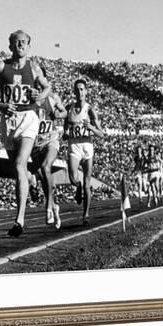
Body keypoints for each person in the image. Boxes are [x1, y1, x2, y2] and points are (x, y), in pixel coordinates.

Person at [0, 30, 51, 237]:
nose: (20, 45)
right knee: (17, 168)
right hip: (8, 122)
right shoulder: (2, 67)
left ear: (29, 46)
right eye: (16, 42)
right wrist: (1, 105)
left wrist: (39, 95)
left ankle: (19, 219)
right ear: (10, 45)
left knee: (20, 163)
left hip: (28, 119)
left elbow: (47, 87)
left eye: (24, 42)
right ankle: (30, 177)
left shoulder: (34, 67)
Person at [29, 66, 67, 229]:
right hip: (35, 144)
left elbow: (64, 111)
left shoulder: (52, 97)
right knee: (44, 180)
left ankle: (48, 208)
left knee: (46, 167)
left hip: (51, 140)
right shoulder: (29, 95)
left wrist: (59, 114)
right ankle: (54, 206)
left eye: (40, 77)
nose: (37, 80)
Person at [63, 78, 104, 225]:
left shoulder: (90, 110)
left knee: (87, 183)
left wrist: (91, 127)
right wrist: (66, 133)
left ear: (86, 92)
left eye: (82, 89)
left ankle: (85, 215)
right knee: (73, 177)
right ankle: (77, 186)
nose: (79, 92)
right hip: (74, 146)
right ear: (74, 92)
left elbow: (101, 133)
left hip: (87, 146)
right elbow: (65, 128)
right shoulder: (69, 108)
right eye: (77, 89)